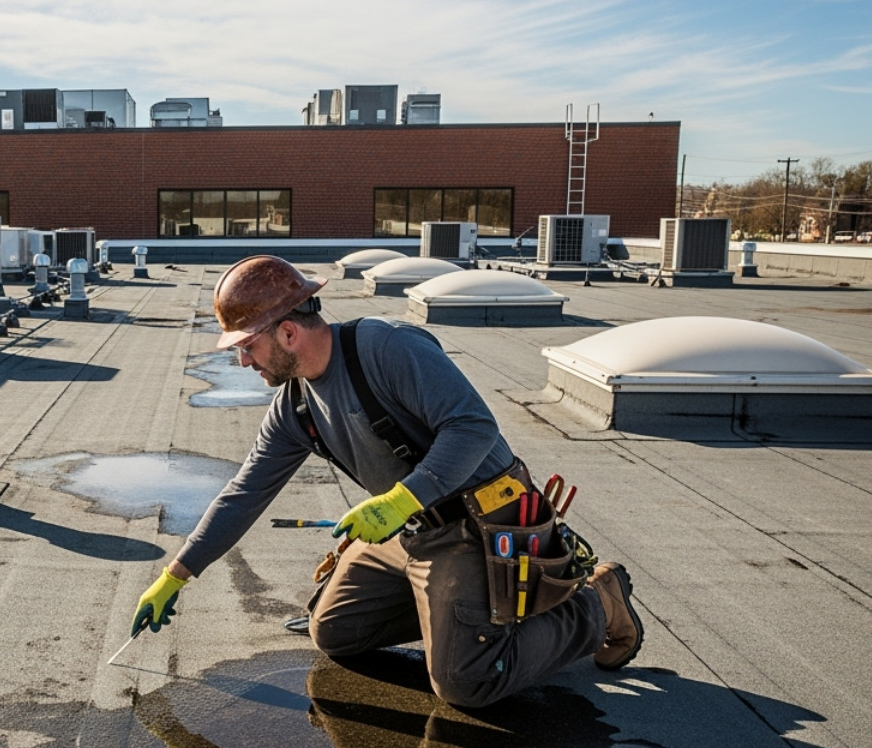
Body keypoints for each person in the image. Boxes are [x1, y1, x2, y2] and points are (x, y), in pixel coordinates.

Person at [130, 255, 642, 708]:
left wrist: (401, 499)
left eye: (247, 346)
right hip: (411, 532)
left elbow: (474, 427)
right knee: (334, 632)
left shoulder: (385, 348)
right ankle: (459, 616)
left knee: (466, 682)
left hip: (478, 528)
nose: (242, 360)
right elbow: (246, 492)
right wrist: (178, 572)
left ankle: (598, 602)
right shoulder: (296, 405)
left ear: (288, 333)